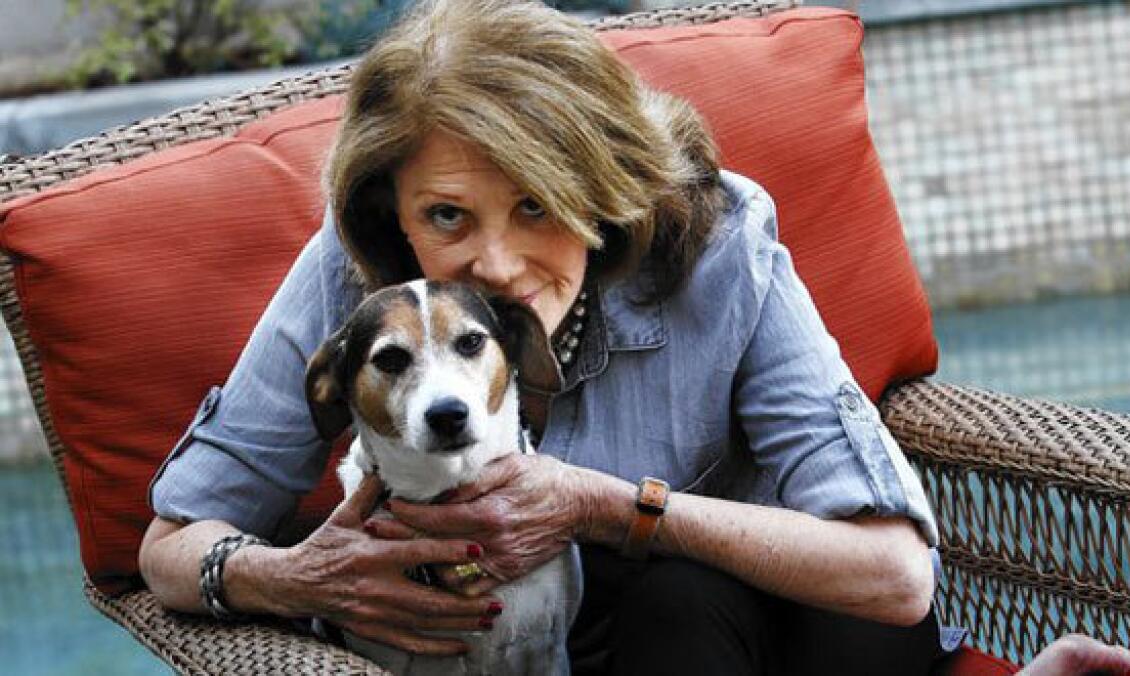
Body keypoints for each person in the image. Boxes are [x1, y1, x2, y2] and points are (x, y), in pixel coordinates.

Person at [139, 0, 947, 673]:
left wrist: (604, 506)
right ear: (394, 213)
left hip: (780, 629)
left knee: (676, 599)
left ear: (602, 192)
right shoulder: (363, 280)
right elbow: (171, 545)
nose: (496, 264)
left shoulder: (718, 242)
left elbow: (894, 574)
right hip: (571, 648)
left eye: (537, 205)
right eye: (446, 215)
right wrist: (293, 578)